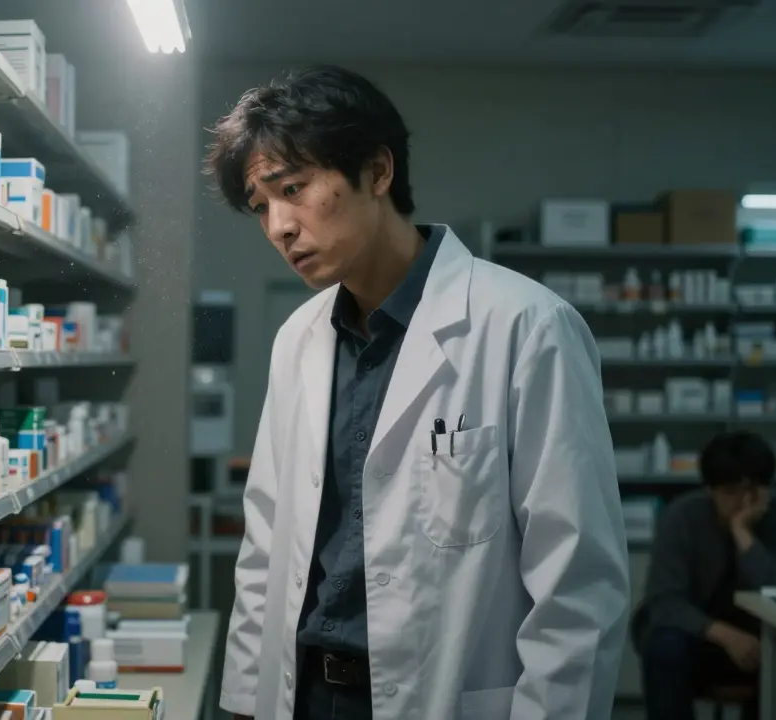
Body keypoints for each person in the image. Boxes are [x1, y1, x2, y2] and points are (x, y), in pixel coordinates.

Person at [205, 65, 630, 720]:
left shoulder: (524, 326)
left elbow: (577, 583)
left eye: (294, 189)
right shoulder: (298, 339)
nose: (279, 227)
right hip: (303, 695)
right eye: (261, 206)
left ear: (378, 172)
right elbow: (267, 541)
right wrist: (241, 700)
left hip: (444, 696)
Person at [632, 430, 776, 720]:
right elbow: (664, 602)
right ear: (711, 490)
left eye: (753, 490)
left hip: (765, 638)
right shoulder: (682, 517)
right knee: (665, 648)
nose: (743, 502)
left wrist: (743, 534)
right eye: (731, 492)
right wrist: (727, 636)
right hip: (699, 634)